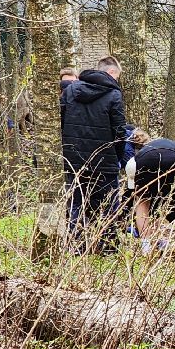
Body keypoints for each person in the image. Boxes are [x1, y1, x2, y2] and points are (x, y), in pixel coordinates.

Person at [60, 56, 129, 253]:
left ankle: (76, 245)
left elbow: (61, 122)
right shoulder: (114, 94)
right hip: (104, 159)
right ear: (111, 73)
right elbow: (119, 131)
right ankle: (107, 245)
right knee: (107, 203)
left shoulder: (71, 90)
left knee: (77, 202)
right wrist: (117, 156)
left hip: (73, 159)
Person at [125, 131, 175, 254]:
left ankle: (146, 247)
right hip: (173, 159)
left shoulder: (137, 156)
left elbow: (131, 191)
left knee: (142, 199)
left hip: (144, 162)